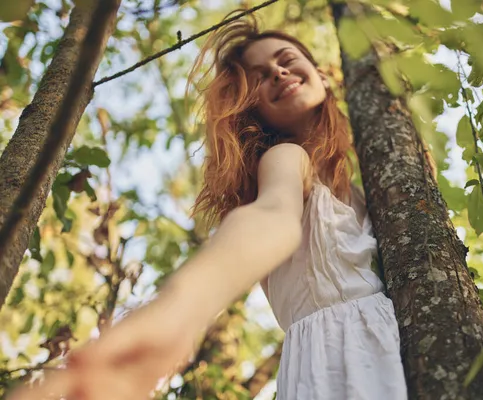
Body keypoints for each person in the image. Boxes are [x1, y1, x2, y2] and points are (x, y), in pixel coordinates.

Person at [9, 11, 408, 400]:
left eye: (286, 62)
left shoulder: (361, 190)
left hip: (392, 341)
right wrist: (175, 314)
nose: (278, 74)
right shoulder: (285, 159)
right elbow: (271, 220)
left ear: (322, 75)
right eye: (261, 78)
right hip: (340, 357)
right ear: (254, 110)